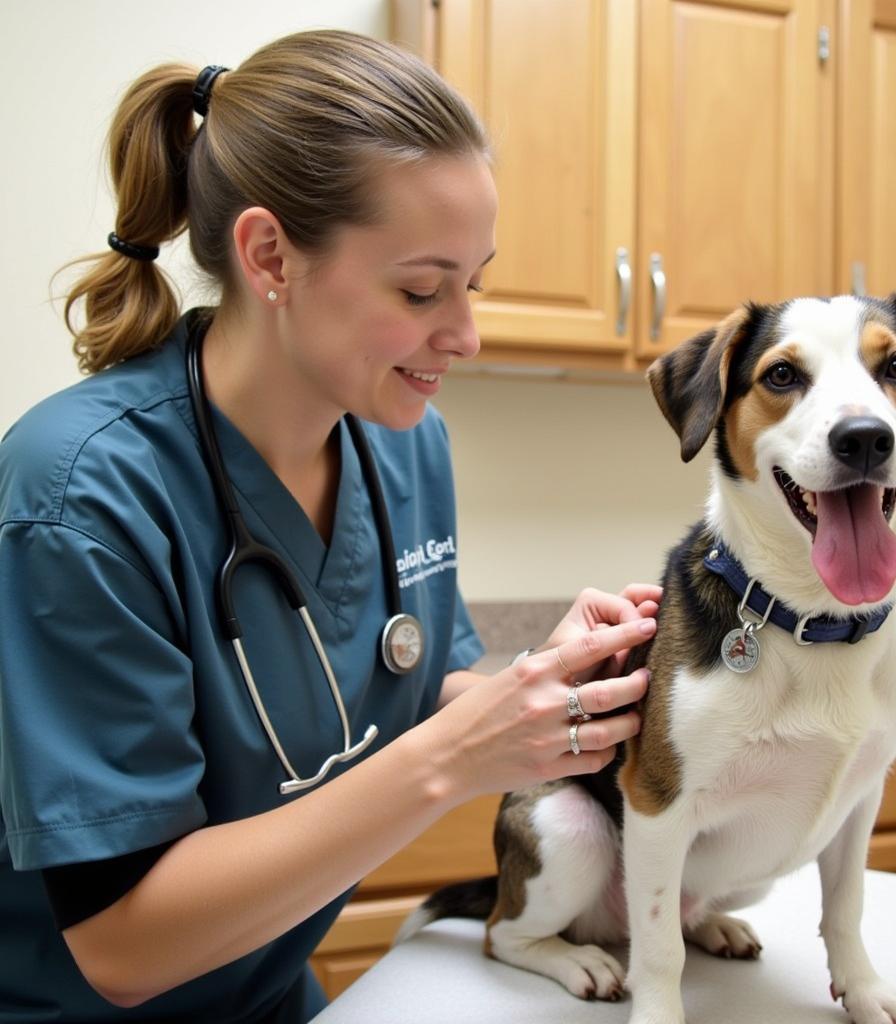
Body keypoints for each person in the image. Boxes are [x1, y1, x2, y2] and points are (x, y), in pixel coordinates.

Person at [0, 30, 658, 1023]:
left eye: (471, 283)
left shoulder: (404, 441)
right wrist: (455, 760)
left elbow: (406, 683)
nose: (465, 334)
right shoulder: (80, 492)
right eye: (419, 288)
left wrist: (540, 691)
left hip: (272, 996)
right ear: (269, 255)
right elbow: (123, 942)